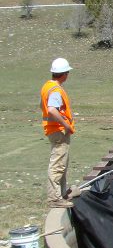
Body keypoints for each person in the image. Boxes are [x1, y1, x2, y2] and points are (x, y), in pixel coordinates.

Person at [40, 58, 75, 208]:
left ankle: (61, 193)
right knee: (58, 165)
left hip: (54, 130)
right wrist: (65, 124)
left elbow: (42, 106)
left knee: (61, 163)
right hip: (58, 131)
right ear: (64, 74)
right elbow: (52, 109)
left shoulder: (47, 86)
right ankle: (54, 198)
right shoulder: (55, 90)